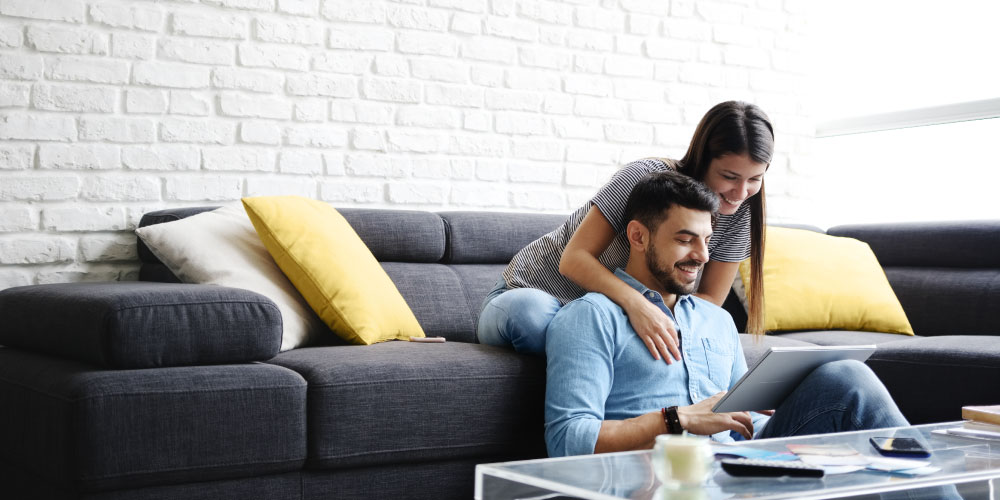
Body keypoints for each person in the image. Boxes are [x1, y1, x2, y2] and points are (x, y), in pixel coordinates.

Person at [543, 171, 908, 457]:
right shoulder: (590, 317)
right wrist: (677, 419)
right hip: (662, 478)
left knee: (846, 376)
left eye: (707, 239)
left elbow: (741, 426)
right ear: (638, 237)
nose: (702, 256)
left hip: (739, 467)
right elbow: (566, 440)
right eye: (685, 239)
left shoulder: (716, 320)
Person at [478, 100, 771, 360]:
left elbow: (708, 303)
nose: (741, 192)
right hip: (534, 295)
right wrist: (638, 307)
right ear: (704, 158)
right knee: (534, 318)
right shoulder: (644, 178)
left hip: (605, 319)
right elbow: (574, 259)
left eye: (755, 179)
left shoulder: (740, 215)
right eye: (729, 177)